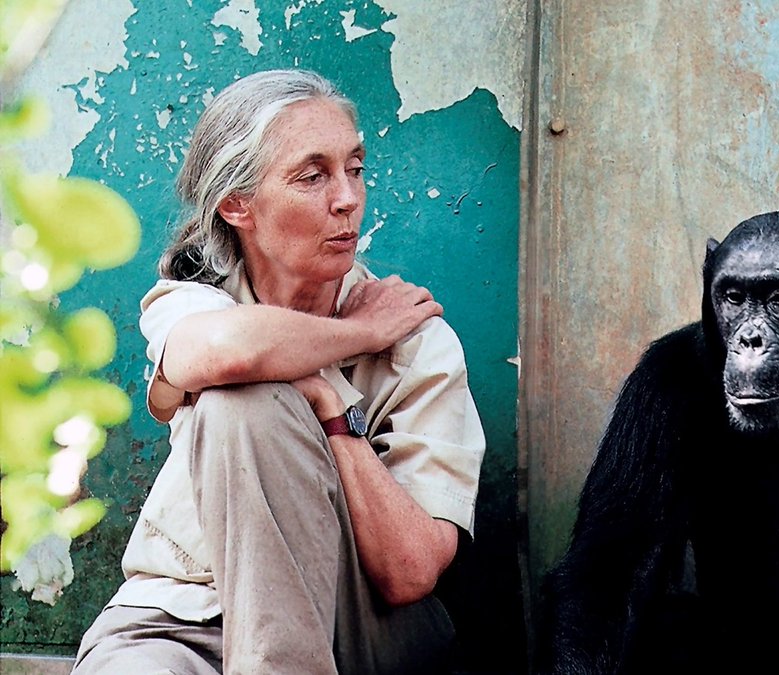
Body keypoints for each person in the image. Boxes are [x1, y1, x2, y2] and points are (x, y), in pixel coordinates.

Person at [72, 69, 486, 675]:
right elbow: (216, 352)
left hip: (355, 628)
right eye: (312, 176)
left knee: (247, 399)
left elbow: (410, 572)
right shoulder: (194, 301)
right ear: (237, 204)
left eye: (355, 168)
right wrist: (357, 336)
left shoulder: (420, 344)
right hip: (184, 618)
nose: (346, 198)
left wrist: (337, 417)